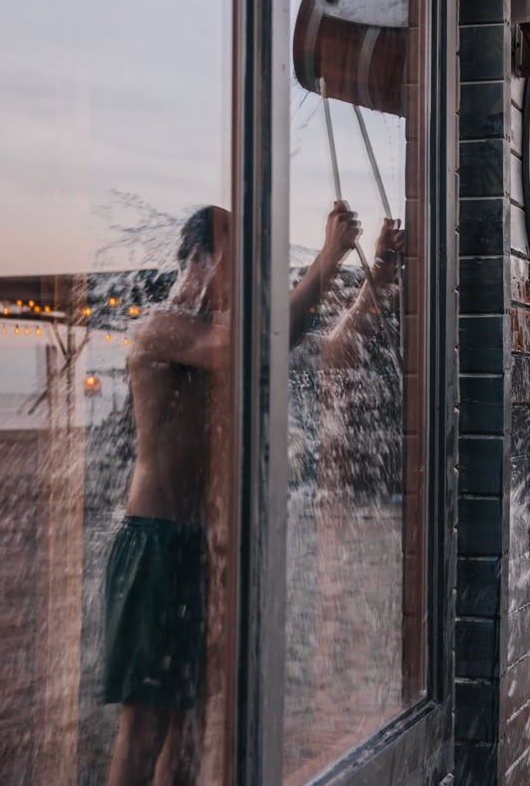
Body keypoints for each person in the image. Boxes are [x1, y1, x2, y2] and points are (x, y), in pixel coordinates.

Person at [104, 200, 377, 785]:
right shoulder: (160, 328)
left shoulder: (228, 328)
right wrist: (326, 259)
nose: (251, 274)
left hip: (201, 546)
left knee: (191, 725)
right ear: (199, 261)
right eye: (239, 258)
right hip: (155, 543)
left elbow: (301, 338)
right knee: (145, 728)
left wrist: (377, 274)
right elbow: (247, 347)